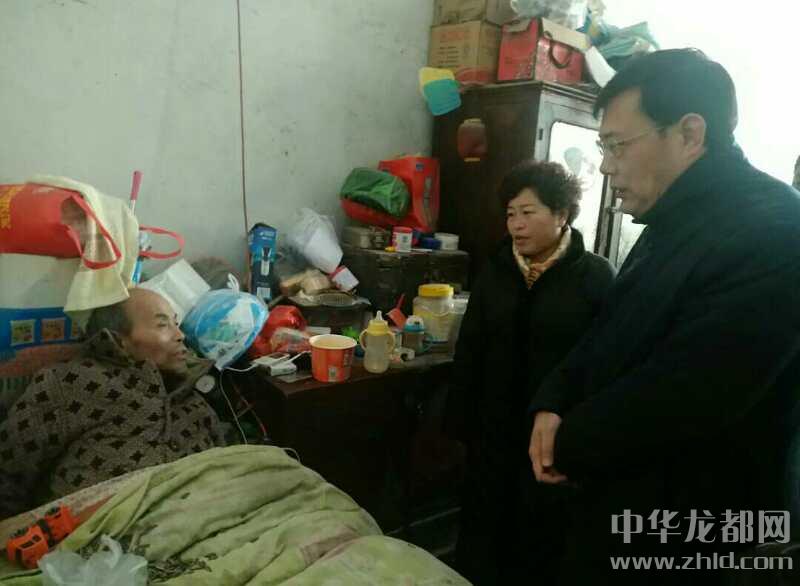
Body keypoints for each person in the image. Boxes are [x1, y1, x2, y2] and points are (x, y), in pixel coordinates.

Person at [528, 48, 800, 584]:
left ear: (689, 133)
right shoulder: (671, 220)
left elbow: (686, 395)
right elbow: (608, 332)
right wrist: (552, 400)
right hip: (616, 499)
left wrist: (567, 442)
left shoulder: (776, 231)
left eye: (616, 145)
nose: (606, 166)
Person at [448, 160, 616, 584]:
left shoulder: (595, 277)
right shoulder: (496, 270)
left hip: (555, 433)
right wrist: (459, 420)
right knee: (483, 529)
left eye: (527, 212)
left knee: (541, 535)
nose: (516, 225)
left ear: (562, 214)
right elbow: (471, 346)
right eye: (510, 214)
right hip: (492, 428)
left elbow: (602, 360)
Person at [0, 288, 227, 519]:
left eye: (176, 324)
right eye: (162, 325)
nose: (180, 335)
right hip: (96, 532)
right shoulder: (73, 383)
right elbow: (8, 469)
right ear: (119, 341)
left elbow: (228, 476)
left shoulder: (196, 405)